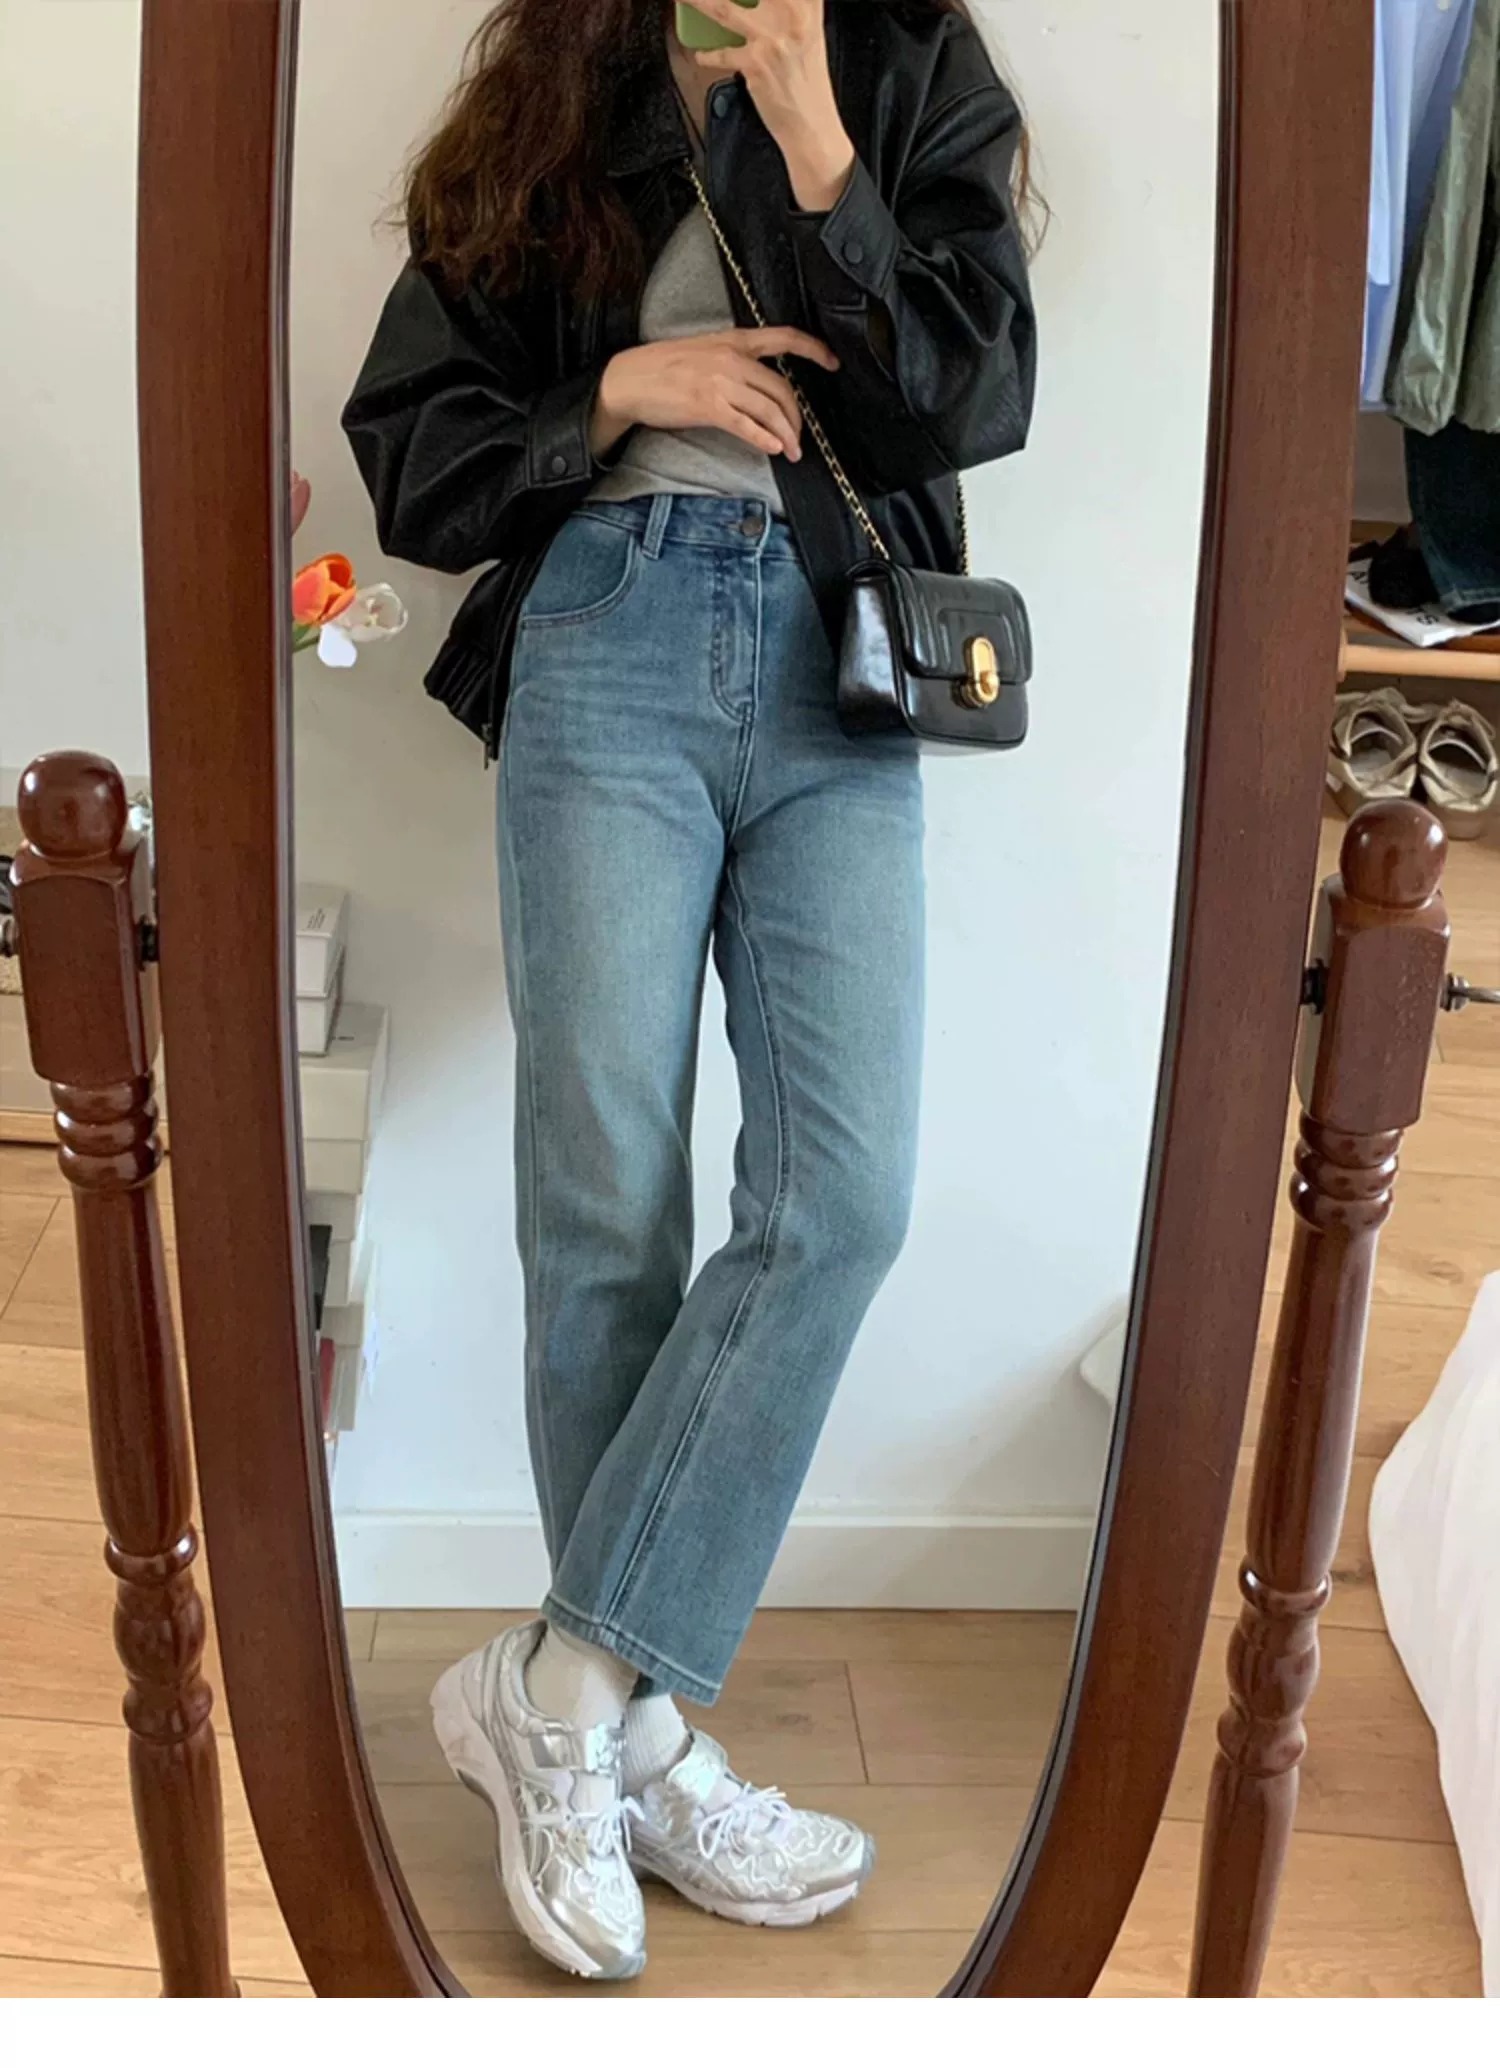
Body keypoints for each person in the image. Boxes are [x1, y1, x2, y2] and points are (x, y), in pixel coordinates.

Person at [343, 0, 1036, 1983]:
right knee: (604, 1204)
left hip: (843, 654)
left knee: (843, 1195)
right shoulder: (564, 74)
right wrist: (614, 390)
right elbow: (412, 451)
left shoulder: (907, 59)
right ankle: (632, 1747)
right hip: (608, 630)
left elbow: (976, 389)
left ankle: (564, 1690)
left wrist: (823, 154)